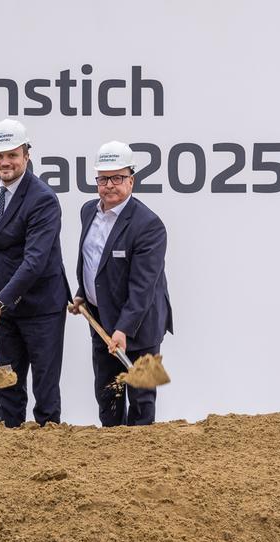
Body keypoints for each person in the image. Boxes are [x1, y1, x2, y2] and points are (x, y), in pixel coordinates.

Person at [0, 119, 70, 428]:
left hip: (42, 307)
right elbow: (0, 230)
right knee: (8, 382)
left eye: (12, 155)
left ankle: (48, 451)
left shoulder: (43, 200)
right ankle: (10, 446)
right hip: (8, 306)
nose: (5, 162)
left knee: (45, 387)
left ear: (26, 155)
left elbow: (34, 262)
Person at [70, 141, 173, 426]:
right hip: (101, 320)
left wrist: (124, 329)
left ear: (131, 180)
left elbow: (144, 286)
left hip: (140, 325)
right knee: (108, 394)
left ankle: (140, 461)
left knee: (140, 401)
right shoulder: (87, 211)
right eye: (103, 178)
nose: (110, 185)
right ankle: (112, 460)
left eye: (118, 178)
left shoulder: (148, 225)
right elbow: (95, 263)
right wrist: (83, 293)